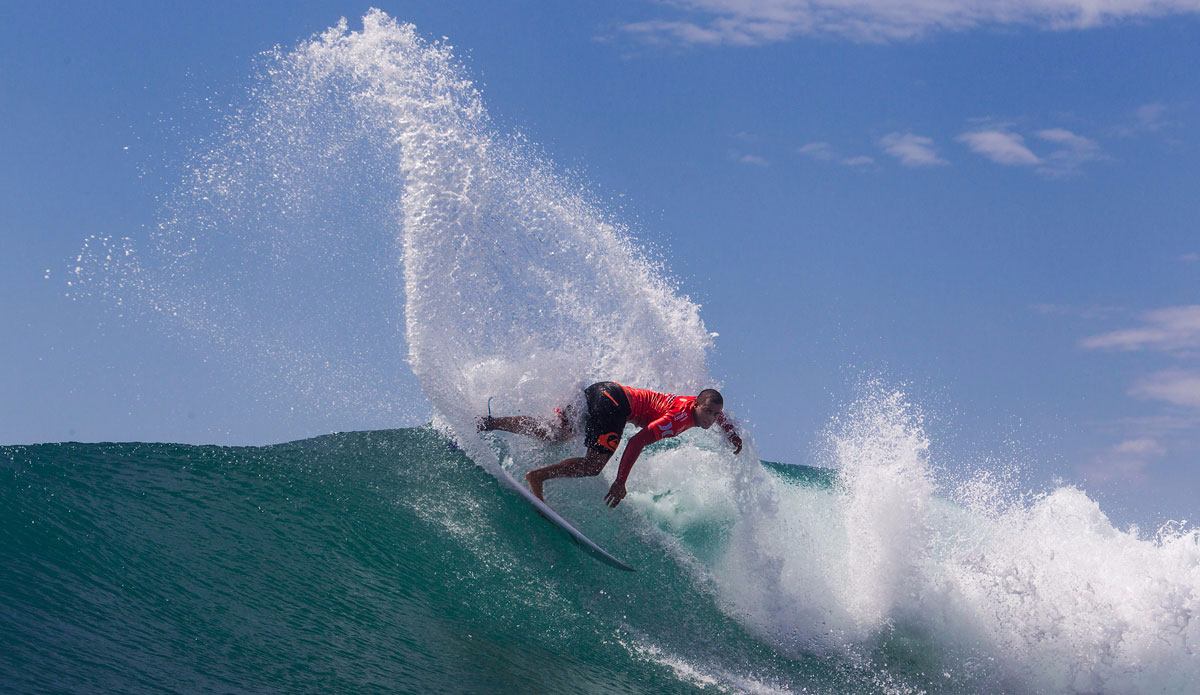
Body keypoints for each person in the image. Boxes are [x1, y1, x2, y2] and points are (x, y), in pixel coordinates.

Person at [478, 381, 743, 508]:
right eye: (708, 412)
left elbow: (718, 411)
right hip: (614, 405)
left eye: (715, 415)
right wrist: (620, 481)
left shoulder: (696, 406)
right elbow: (637, 442)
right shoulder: (676, 421)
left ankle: (489, 423)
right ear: (696, 405)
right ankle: (537, 476)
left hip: (603, 390)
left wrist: (731, 434)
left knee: (555, 434)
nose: (712, 419)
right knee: (593, 466)